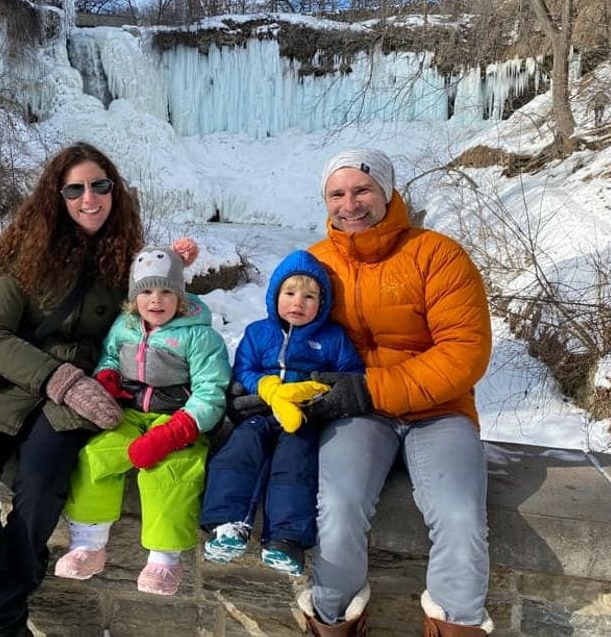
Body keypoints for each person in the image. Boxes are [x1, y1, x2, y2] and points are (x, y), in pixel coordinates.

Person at [0, 141, 144, 637]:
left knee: (42, 489)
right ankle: (1, 621)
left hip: (73, 404)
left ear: (114, 191)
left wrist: (175, 273)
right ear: (57, 197)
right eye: (75, 189)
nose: (88, 198)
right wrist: (57, 378)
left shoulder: (128, 261)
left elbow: (159, 318)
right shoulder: (27, 254)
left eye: (99, 186)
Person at [297, 148, 494, 637]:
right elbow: (289, 337)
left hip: (438, 410)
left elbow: (465, 351)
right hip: (360, 414)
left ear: (386, 192)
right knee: (338, 506)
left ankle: (455, 625)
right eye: (337, 194)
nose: (351, 204)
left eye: (362, 190)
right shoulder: (314, 264)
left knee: (460, 514)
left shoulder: (438, 255)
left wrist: (369, 389)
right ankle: (332, 619)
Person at [52, 240, 231, 596]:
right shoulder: (125, 327)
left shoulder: (199, 335)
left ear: (180, 297)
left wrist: (177, 431)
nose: (156, 300)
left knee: (170, 470)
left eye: (167, 291)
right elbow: (108, 358)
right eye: (146, 291)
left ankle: (164, 559)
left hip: (178, 417)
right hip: (130, 413)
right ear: (134, 297)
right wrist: (107, 378)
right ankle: (88, 544)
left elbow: (212, 392)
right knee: (96, 455)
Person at [199, 249, 363, 576]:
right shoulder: (259, 333)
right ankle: (226, 524)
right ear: (275, 296)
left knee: (294, 467)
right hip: (260, 411)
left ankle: (286, 539)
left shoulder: (332, 338)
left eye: (309, 296)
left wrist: (317, 391)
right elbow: (243, 368)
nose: (297, 303)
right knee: (236, 454)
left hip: (305, 419)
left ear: (323, 302)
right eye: (289, 293)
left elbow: (351, 374)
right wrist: (267, 387)